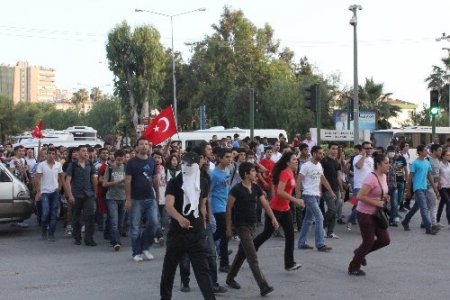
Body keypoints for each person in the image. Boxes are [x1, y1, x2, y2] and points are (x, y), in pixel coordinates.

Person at [160, 152, 216, 300]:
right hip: (177, 233)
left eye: (190, 164)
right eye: (184, 163)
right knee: (169, 268)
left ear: (198, 165)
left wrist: (204, 223)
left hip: (197, 233)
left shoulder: (203, 182)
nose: (186, 167)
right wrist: (179, 218)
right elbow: (169, 205)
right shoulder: (175, 183)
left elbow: (202, 205)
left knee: (203, 271)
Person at [224, 162, 278, 296]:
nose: (256, 174)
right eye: (253, 171)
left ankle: (230, 278)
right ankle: (263, 286)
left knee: (242, 253)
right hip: (241, 226)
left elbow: (265, 205)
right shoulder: (236, 189)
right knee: (252, 257)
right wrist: (229, 228)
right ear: (246, 174)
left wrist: (273, 218)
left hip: (252, 226)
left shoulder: (255, 188)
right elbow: (229, 208)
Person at [253, 151, 304, 271]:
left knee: (290, 234)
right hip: (275, 209)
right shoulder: (285, 173)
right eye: (293, 159)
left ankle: (289, 263)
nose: (296, 161)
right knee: (266, 234)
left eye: (296, 159)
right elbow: (280, 192)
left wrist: (296, 199)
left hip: (285, 209)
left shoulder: (291, 172)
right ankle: (248, 250)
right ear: (287, 162)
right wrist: (296, 200)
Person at [348, 154, 391, 276]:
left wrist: (384, 197)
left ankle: (359, 252)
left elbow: (379, 191)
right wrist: (376, 202)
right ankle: (353, 267)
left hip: (377, 213)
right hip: (365, 213)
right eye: (386, 163)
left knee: (385, 240)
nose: (389, 165)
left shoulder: (383, 176)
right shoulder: (371, 178)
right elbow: (360, 196)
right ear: (378, 164)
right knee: (368, 241)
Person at [125, 138, 160, 261]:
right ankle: (136, 252)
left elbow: (155, 179)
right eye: (142, 144)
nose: (144, 146)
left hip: (150, 197)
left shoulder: (152, 161)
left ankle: (146, 247)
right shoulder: (131, 162)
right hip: (136, 199)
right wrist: (128, 199)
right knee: (135, 227)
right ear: (137, 147)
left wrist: (158, 194)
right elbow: (128, 181)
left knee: (154, 223)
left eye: (146, 144)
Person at [296, 146, 335, 251]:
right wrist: (298, 198)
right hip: (308, 195)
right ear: (313, 154)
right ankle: (320, 244)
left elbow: (323, 179)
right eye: (319, 153)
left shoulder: (319, 165)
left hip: (316, 195)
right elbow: (298, 181)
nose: (321, 155)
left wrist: (331, 191)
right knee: (320, 217)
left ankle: (301, 243)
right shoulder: (306, 166)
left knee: (308, 220)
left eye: (322, 153)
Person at [401, 144, 440, 235]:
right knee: (424, 207)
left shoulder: (427, 162)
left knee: (416, 207)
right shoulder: (415, 163)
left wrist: (435, 189)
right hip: (418, 188)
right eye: (425, 150)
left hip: (425, 187)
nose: (427, 151)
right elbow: (410, 178)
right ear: (420, 152)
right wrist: (408, 191)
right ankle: (429, 228)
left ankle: (405, 221)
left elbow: (429, 176)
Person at [65, 145, 98, 246]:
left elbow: (93, 179)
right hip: (76, 194)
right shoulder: (73, 165)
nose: (86, 153)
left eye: (86, 151)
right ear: (78, 153)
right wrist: (70, 195)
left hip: (88, 194)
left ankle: (89, 238)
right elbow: (68, 181)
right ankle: (77, 237)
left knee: (90, 216)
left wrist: (95, 192)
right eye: (83, 151)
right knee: (76, 217)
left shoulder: (90, 164)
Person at [34, 147, 64, 242]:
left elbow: (61, 177)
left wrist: (59, 187)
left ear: (55, 155)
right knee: (45, 212)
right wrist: (38, 192)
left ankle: (51, 233)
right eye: (49, 153)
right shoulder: (41, 165)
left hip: (55, 192)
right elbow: (37, 179)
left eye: (53, 153)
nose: (51, 155)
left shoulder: (58, 165)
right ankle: (44, 229)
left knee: (54, 213)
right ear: (46, 154)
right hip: (45, 192)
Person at [210, 148, 232, 273]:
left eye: (230, 157)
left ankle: (206, 242)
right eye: (227, 157)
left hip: (225, 205)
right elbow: (208, 192)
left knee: (220, 232)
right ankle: (224, 263)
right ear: (220, 158)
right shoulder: (213, 174)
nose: (229, 159)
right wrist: (208, 210)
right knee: (224, 233)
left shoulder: (227, 170)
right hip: (217, 206)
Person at [102, 149, 126, 251]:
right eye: (118, 160)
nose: (120, 162)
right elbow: (104, 183)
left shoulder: (127, 168)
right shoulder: (110, 168)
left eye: (122, 160)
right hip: (111, 198)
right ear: (114, 158)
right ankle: (115, 242)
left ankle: (114, 238)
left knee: (120, 222)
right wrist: (118, 181)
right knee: (114, 221)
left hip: (123, 198)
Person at [347, 142, 374, 230]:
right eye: (366, 148)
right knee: (359, 206)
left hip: (369, 186)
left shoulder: (371, 159)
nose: (369, 150)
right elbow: (359, 166)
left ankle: (365, 224)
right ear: (362, 149)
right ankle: (351, 219)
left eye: (370, 148)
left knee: (366, 206)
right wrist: (363, 156)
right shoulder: (357, 158)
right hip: (359, 186)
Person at [320, 142, 343, 239]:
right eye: (333, 148)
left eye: (336, 149)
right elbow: (320, 177)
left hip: (336, 189)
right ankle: (322, 227)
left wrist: (342, 190)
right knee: (332, 209)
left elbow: (338, 177)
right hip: (327, 189)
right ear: (329, 149)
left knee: (334, 211)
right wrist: (320, 189)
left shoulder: (336, 162)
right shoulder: (324, 161)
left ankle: (330, 232)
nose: (335, 151)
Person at [437, 150, 450, 226]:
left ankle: (437, 220)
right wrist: (438, 184)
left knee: (442, 204)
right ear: (443, 156)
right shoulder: (440, 165)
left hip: (449, 187)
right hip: (442, 187)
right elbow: (437, 175)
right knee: (448, 202)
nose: (449, 156)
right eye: (447, 155)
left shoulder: (449, 165)